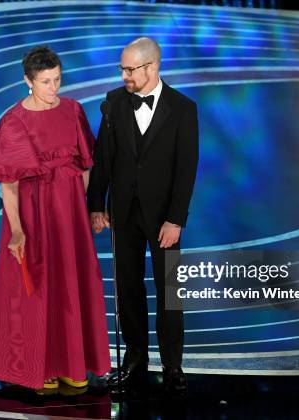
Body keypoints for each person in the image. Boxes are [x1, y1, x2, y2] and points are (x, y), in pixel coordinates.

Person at [0, 46, 110, 392]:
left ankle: (72, 363)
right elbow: (9, 184)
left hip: (70, 210)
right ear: (27, 81)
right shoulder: (14, 121)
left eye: (57, 79)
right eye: (46, 82)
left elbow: (84, 165)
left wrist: (91, 208)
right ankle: (41, 366)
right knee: (39, 287)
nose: (53, 88)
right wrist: (17, 230)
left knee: (70, 281)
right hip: (34, 212)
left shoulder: (73, 111)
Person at [88, 37, 199, 395]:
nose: (124, 76)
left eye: (129, 69)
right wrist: (95, 204)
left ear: (152, 67)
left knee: (169, 291)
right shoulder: (114, 104)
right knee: (128, 288)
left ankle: (173, 364)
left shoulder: (183, 108)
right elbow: (102, 158)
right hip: (123, 213)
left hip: (165, 218)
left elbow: (186, 169)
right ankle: (135, 357)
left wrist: (176, 219)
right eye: (121, 68)